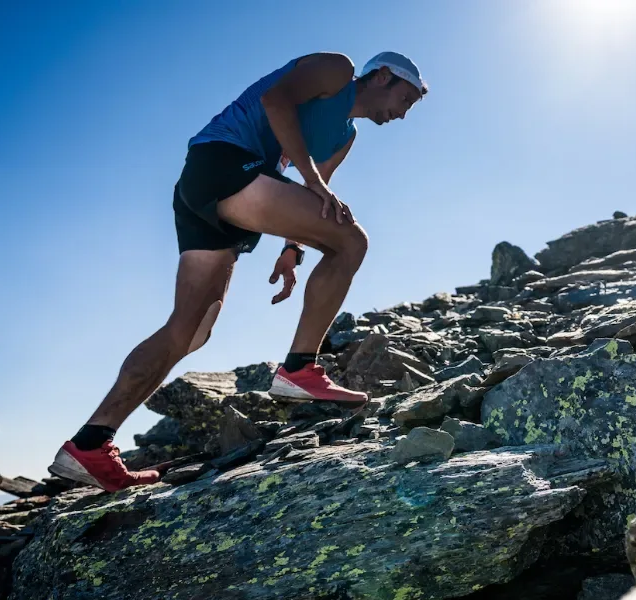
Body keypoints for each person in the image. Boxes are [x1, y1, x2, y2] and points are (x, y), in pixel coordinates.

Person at [47, 51, 428, 492]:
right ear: (382, 76)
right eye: (406, 99)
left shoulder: (346, 136)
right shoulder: (336, 69)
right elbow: (276, 103)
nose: (403, 114)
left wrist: (292, 248)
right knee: (352, 241)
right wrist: (311, 184)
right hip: (224, 163)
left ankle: (91, 444)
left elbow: (316, 193)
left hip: (217, 189)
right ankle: (300, 368)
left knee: (190, 331)